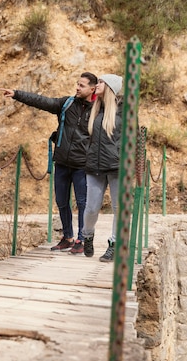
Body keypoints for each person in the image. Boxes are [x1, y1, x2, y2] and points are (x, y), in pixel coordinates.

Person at [0, 72, 98, 254]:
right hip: (61, 162)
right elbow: (42, 101)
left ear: (92, 89)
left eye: (82, 85)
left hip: (82, 165)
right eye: (77, 84)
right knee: (61, 201)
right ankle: (68, 237)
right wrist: (17, 94)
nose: (77, 87)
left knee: (83, 203)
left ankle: (82, 239)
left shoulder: (97, 110)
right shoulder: (66, 104)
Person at [81, 74, 123, 262]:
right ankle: (87, 235)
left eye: (100, 82)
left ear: (110, 87)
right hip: (94, 167)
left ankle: (113, 245)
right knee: (91, 208)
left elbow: (131, 140)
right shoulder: (94, 109)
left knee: (118, 209)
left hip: (116, 168)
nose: (97, 85)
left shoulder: (123, 112)